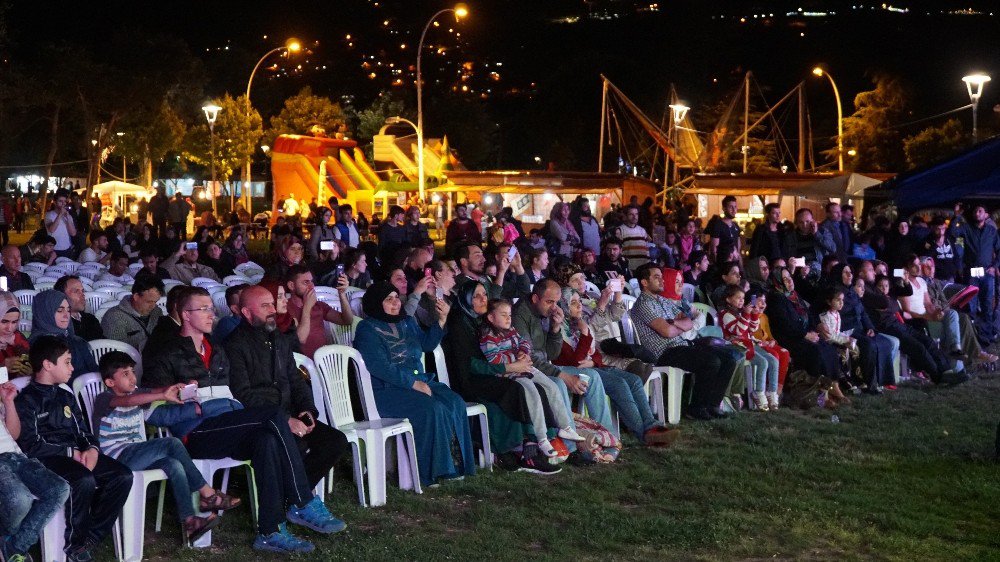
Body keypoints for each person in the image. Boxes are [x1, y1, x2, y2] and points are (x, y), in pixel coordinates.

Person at [141, 287, 346, 553]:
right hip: (196, 434)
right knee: (273, 416)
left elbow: (241, 393)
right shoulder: (166, 354)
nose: (210, 314)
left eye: (210, 308)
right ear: (185, 315)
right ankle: (302, 500)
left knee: (267, 439)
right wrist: (196, 410)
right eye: (203, 309)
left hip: (229, 424)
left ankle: (269, 532)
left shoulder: (216, 351)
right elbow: (153, 411)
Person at [91, 352, 235, 543]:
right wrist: (160, 395)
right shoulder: (104, 399)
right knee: (172, 443)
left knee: (174, 464)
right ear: (110, 382)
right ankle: (207, 494)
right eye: (125, 374)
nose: (133, 377)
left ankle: (190, 521)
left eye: (133, 371)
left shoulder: (137, 393)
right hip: (117, 460)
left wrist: (176, 389)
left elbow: (150, 392)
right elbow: (128, 401)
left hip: (139, 454)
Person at [15, 336, 133, 562]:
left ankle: (90, 538)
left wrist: (92, 449)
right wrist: (71, 453)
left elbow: (83, 432)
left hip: (77, 454)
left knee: (122, 475)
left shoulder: (66, 395)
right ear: (48, 365)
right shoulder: (27, 400)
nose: (73, 367)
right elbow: (31, 445)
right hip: (48, 459)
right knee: (83, 479)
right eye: (67, 362)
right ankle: (75, 545)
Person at [226, 285, 350, 488]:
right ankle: (296, 499)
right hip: (261, 418)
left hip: (289, 412)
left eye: (272, 305)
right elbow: (242, 394)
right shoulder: (234, 345)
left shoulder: (279, 339)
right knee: (296, 444)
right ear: (247, 312)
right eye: (265, 306)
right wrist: (285, 420)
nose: (273, 310)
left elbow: (295, 379)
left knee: (335, 441)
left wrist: (308, 410)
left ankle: (294, 497)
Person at [355, 281, 477, 486]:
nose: (395, 303)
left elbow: (427, 344)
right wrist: (412, 384)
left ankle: (456, 464)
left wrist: (442, 319)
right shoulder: (366, 329)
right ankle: (429, 472)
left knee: (454, 401)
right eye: (388, 299)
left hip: (419, 382)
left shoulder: (407, 322)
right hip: (386, 390)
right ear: (376, 303)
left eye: (396, 297)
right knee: (431, 408)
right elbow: (379, 366)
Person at [512, 279, 616, 450]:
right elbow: (528, 359)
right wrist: (562, 375)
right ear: (535, 299)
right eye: (549, 302)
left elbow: (552, 354)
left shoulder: (545, 314)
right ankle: (572, 446)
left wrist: (555, 329)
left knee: (593, 377)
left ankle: (608, 437)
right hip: (528, 371)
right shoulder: (520, 316)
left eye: (556, 302)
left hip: (546, 367)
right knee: (559, 382)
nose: (554, 307)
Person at [479, 298, 584, 456]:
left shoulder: (511, 330)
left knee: (552, 386)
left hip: (526, 367)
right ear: (491, 318)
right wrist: (516, 360)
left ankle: (565, 427)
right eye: (503, 315)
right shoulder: (489, 337)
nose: (508, 318)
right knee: (533, 394)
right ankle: (542, 438)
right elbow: (494, 359)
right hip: (511, 374)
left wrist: (523, 351)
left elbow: (524, 342)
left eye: (509, 314)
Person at [631, 265, 738, 420]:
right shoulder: (643, 304)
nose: (662, 280)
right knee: (711, 361)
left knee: (729, 358)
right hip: (663, 352)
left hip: (681, 345)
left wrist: (673, 323)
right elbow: (667, 332)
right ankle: (696, 408)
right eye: (656, 277)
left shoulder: (663, 301)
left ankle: (712, 405)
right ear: (644, 282)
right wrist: (677, 325)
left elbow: (689, 320)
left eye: (661, 276)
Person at [0, 377, 70, 562]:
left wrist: (8, 401)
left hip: (17, 456)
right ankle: (9, 543)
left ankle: (15, 545)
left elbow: (14, 434)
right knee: (20, 500)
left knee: (59, 489)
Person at [719, 285, 780, 411]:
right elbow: (737, 330)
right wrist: (746, 314)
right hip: (737, 347)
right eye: (738, 298)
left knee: (773, 360)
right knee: (762, 362)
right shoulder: (725, 314)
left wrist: (754, 315)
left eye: (743, 298)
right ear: (728, 299)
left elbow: (752, 329)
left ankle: (772, 393)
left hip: (749, 344)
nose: (742, 300)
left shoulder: (741, 313)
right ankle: (758, 392)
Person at [949, 204, 1000, 343]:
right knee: (970, 306)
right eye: (975, 211)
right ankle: (972, 338)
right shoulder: (966, 228)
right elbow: (952, 233)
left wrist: (995, 266)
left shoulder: (991, 231)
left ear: (986, 215)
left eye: (980, 211)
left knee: (987, 306)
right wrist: (956, 216)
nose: (977, 213)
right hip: (971, 273)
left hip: (987, 273)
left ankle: (986, 336)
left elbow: (999, 249)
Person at [284, 265, 354, 358]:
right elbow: (300, 339)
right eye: (306, 282)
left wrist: (342, 294)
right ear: (291, 285)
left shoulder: (319, 305)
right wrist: (307, 308)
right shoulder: (286, 308)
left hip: (323, 362)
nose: (312, 286)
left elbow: (347, 320)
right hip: (303, 365)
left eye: (312, 281)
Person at [29, 290, 99, 378]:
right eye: (59, 310)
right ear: (45, 313)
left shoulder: (75, 340)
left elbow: (94, 369)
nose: (66, 315)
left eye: (68, 310)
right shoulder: (38, 346)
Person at [100, 275, 164, 353]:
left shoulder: (157, 312)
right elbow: (116, 353)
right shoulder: (113, 317)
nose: (153, 306)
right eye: (149, 302)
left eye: (155, 302)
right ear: (136, 296)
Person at [54, 275, 104, 341]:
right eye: (76, 291)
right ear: (61, 296)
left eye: (82, 291)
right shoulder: (59, 325)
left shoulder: (91, 320)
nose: (83, 295)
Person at [0, 292, 31, 378]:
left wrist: (30, 371)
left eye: (14, 322)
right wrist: (2, 369)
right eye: (4, 321)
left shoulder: (18, 338)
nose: (9, 328)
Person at [614, 205, 651, 271]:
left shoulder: (642, 230)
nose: (635, 217)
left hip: (643, 268)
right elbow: (618, 252)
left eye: (636, 214)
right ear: (625, 216)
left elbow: (647, 250)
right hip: (630, 269)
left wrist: (648, 265)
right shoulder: (620, 231)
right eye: (631, 214)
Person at [706, 195, 742, 262]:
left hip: (735, 266)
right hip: (723, 265)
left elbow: (738, 251)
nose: (734, 210)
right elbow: (714, 250)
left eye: (735, 207)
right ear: (724, 208)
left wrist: (741, 269)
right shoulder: (718, 225)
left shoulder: (736, 226)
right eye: (731, 207)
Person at [44, 188, 77, 258]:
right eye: (60, 201)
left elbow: (73, 233)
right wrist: (60, 215)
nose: (63, 204)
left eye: (65, 201)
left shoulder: (68, 216)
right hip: (54, 249)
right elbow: (51, 229)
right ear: (55, 202)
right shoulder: (49, 215)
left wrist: (68, 217)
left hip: (67, 249)